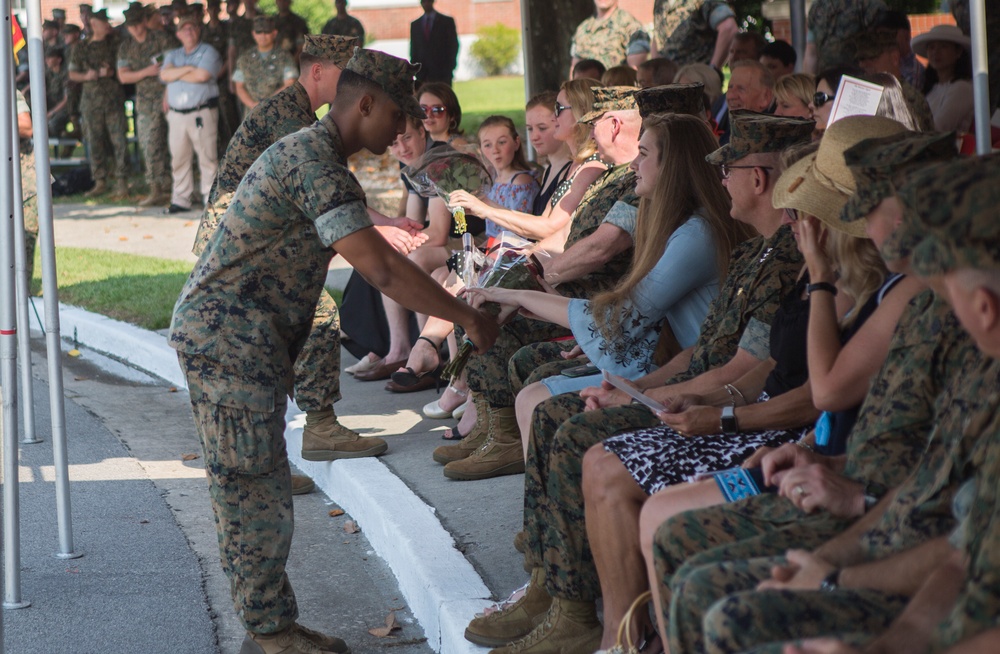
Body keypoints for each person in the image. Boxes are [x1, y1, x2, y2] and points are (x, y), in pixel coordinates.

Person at [170, 48, 499, 654]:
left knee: (259, 483)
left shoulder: (318, 156)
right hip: (229, 341)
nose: (403, 129)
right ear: (365, 104)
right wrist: (467, 318)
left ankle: (270, 625)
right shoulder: (313, 161)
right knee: (252, 490)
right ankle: (271, 635)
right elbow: (381, 269)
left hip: (246, 338)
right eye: (397, 114)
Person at [463, 111, 811, 652]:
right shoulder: (752, 250)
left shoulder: (753, 247)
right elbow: (705, 349)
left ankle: (580, 611)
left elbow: (740, 366)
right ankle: (555, 588)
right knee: (549, 399)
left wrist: (672, 397)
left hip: (738, 415)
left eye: (645, 154)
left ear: (759, 179)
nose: (633, 165)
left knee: (569, 426)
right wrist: (646, 387)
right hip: (700, 389)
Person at [642, 128, 967, 654]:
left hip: (874, 503)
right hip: (845, 477)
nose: (796, 223)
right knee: (668, 530)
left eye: (806, 212)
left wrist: (819, 277)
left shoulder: (913, 294)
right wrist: (817, 455)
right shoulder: (891, 287)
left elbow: (829, 393)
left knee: (687, 557)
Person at [471, 113, 750, 457]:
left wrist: (513, 295)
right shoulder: (679, 224)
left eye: (644, 154)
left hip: (701, 378)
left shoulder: (697, 234)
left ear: (673, 166)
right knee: (534, 389)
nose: (634, 165)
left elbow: (621, 317)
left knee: (537, 399)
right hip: (678, 362)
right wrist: (528, 300)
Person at [161, 14, 221, 214]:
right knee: (178, 158)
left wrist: (176, 73)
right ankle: (181, 200)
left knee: (207, 157)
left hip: (201, 112)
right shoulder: (173, 55)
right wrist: (188, 69)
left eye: (192, 27)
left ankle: (210, 200)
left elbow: (202, 75)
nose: (189, 31)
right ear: (178, 34)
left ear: (199, 30)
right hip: (176, 115)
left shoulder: (208, 51)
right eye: (184, 28)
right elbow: (164, 75)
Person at [67, 8, 130, 199]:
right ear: (94, 24)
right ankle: (100, 181)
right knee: (95, 142)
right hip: (91, 103)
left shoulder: (116, 44)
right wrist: (87, 76)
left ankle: (122, 181)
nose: (108, 25)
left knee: (119, 142)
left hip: (113, 101)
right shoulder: (81, 47)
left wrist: (111, 72)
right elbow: (72, 74)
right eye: (105, 22)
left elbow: (125, 66)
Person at [118, 3, 174, 207]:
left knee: (174, 144)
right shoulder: (126, 46)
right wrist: (146, 72)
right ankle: (156, 188)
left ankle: (177, 188)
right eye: (130, 25)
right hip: (146, 102)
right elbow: (123, 76)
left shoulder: (161, 38)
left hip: (169, 97)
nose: (134, 28)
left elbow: (174, 64)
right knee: (149, 144)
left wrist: (167, 90)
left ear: (144, 21)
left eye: (137, 23)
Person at [852, 30, 934, 132]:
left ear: (894, 58)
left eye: (872, 58)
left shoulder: (909, 99)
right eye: (861, 59)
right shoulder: (861, 95)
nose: (862, 65)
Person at [477, 115, 540, 240]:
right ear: (480, 150)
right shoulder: (492, 180)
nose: (495, 150)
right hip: (493, 245)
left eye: (501, 142)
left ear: (516, 143)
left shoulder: (520, 182)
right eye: (488, 145)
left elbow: (519, 232)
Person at [913, 24, 974, 134]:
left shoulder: (962, 88)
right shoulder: (933, 88)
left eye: (943, 46)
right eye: (931, 47)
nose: (936, 52)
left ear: (958, 52)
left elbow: (938, 127)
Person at [233, 15, 297, 111]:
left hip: (277, 110)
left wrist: (266, 103)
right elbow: (239, 86)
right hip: (252, 112)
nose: (263, 36)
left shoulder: (284, 57)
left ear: (274, 33)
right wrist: (252, 105)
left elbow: (290, 83)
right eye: (259, 32)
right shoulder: (245, 58)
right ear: (254, 34)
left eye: (267, 32)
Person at [805, 0, 886, 72]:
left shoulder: (869, 5)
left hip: (858, 78)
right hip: (826, 77)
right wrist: (809, 82)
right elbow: (811, 52)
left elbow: (884, 52)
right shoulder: (818, 6)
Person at [653, 0, 738, 69]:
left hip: (696, 80)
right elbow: (657, 36)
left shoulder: (702, 2)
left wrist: (713, 69)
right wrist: (654, 70)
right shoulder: (660, 2)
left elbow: (729, 28)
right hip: (665, 80)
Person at [570, 0, 643, 72]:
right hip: (588, 80)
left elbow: (635, 70)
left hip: (615, 79)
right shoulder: (583, 29)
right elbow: (575, 69)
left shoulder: (630, 26)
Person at [718, 59, 775, 144]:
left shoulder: (768, 140)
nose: (731, 96)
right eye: (730, 87)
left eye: (741, 89)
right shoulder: (735, 131)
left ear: (765, 97)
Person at [409, 0, 458, 86]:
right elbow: (414, 48)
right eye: (423, 2)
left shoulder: (446, 22)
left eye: (428, 1)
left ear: (432, 2)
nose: (426, 4)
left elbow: (453, 45)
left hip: (442, 72)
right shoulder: (415, 25)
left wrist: (450, 66)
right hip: (423, 74)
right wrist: (415, 68)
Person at [415, 81, 467, 147]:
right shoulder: (423, 143)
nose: (428, 115)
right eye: (423, 109)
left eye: (437, 110)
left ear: (452, 115)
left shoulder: (457, 147)